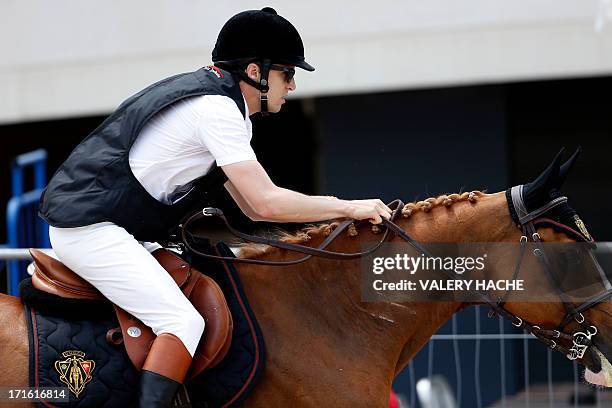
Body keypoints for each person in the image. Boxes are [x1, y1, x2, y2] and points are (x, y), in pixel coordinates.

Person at [39, 7, 391, 407]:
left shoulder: (230, 111)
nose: (291, 86)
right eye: (287, 74)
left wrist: (341, 210)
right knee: (183, 322)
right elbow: (265, 202)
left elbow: (253, 209)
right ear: (256, 72)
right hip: (90, 229)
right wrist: (347, 208)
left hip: (117, 228)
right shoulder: (216, 111)